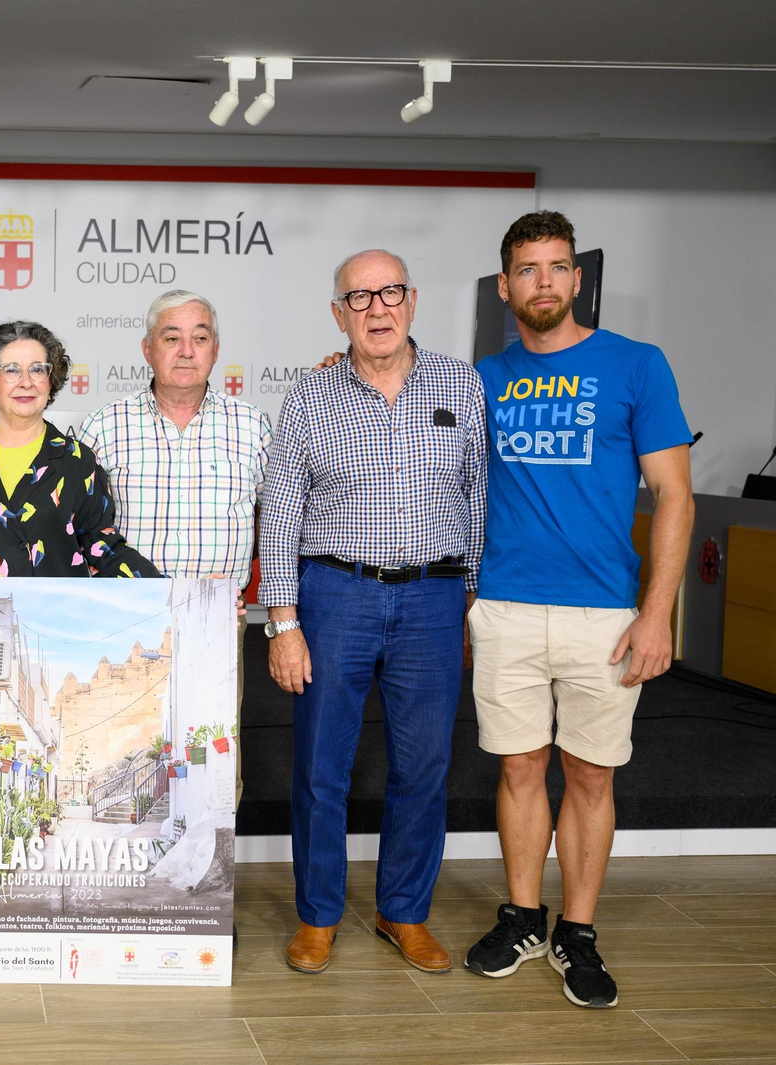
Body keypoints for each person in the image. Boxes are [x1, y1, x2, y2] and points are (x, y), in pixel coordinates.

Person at [463, 212, 694, 1008]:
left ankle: (579, 931)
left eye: (558, 267)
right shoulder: (484, 376)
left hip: (605, 613)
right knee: (521, 766)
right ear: (506, 285)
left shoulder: (636, 365)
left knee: (591, 775)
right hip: (507, 606)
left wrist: (657, 611)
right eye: (528, 269)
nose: (545, 282)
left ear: (577, 278)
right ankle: (525, 914)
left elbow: (673, 493)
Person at [259, 249, 486, 976]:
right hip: (335, 594)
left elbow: (478, 493)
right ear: (338, 314)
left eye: (390, 293)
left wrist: (469, 599)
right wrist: (283, 622)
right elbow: (282, 512)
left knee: (424, 764)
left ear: (412, 300)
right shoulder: (309, 396)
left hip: (434, 596)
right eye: (359, 298)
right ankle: (319, 915)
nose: (377, 309)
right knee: (322, 766)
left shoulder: (462, 383)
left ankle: (404, 911)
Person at [79, 289, 270, 805]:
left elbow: (278, 529)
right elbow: (78, 533)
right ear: (147, 349)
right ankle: (130, 881)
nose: (186, 350)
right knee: (129, 762)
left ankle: (205, 880)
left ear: (215, 349)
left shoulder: (252, 427)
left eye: (199, 338)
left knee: (212, 767)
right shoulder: (104, 426)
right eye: (172, 337)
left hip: (217, 626)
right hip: (132, 631)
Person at [0, 319, 160, 608]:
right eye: (11, 370)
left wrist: (179, 592)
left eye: (38, 369)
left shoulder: (78, 461)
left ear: (51, 381)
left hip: (55, 630)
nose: (26, 381)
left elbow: (103, 548)